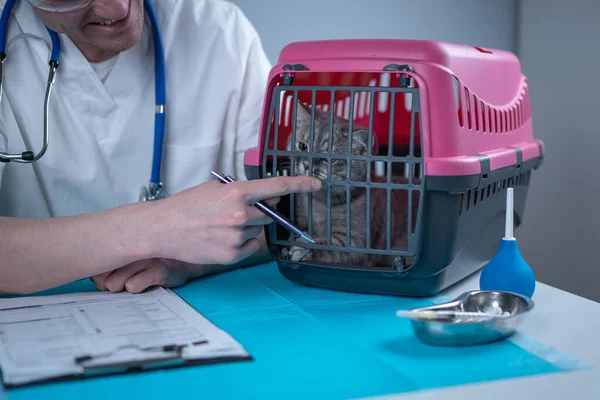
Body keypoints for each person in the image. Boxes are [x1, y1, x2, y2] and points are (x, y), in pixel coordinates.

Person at [0, 0, 322, 295]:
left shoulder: (218, 30)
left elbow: (281, 216)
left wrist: (189, 262)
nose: (117, 9)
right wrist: (157, 227)